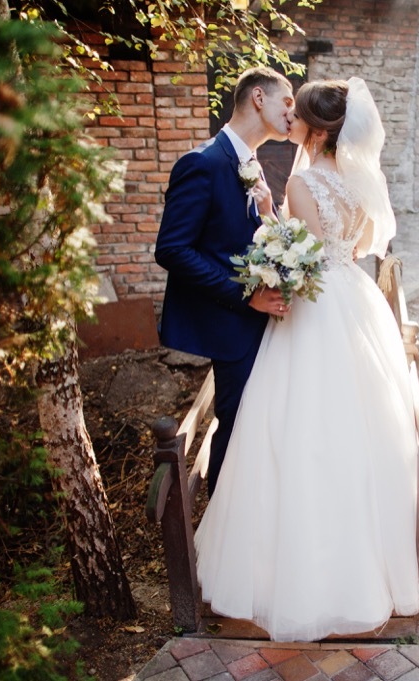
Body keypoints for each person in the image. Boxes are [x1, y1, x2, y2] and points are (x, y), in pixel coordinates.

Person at [193, 78, 419, 642]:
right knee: (366, 428)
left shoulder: (301, 182)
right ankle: (377, 573)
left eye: (297, 115)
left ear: (315, 131)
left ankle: (297, 579)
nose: (288, 119)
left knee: (299, 430)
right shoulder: (362, 183)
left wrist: (272, 222)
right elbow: (362, 247)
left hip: (316, 309)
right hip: (357, 303)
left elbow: (306, 259)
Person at [154, 66, 295, 497]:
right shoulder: (202, 163)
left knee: (254, 427)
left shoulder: (251, 163)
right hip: (230, 326)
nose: (292, 114)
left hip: (259, 325)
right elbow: (173, 250)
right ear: (258, 97)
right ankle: (218, 531)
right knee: (234, 430)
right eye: (286, 102)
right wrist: (245, 296)